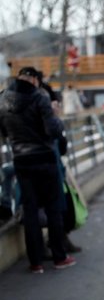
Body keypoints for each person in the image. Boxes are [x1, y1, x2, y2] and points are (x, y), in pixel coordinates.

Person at [0, 66, 76, 273]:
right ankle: (60, 257)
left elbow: (3, 131)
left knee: (30, 210)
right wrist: (57, 118)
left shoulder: (3, 99)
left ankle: (36, 262)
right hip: (44, 159)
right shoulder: (38, 97)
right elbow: (51, 129)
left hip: (21, 160)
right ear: (33, 79)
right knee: (53, 208)